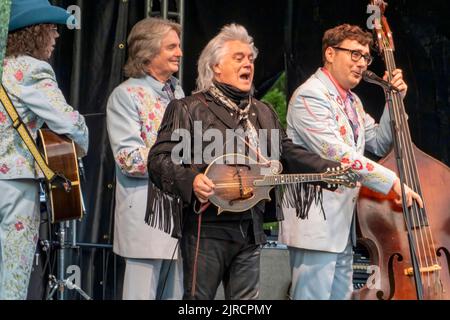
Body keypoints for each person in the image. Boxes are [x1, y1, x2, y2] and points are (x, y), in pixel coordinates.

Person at [145, 23, 340, 300]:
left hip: (251, 227)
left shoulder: (263, 112)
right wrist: (191, 180)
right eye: (238, 58)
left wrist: (327, 169)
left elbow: (287, 152)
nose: (248, 63)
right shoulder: (188, 108)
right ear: (216, 66)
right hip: (206, 227)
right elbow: (159, 159)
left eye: (250, 58)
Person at [279, 24, 423, 300]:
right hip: (315, 225)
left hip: (342, 225)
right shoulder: (311, 95)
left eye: (366, 57)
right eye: (354, 54)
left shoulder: (352, 101)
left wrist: (395, 101)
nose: (361, 63)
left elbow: (379, 142)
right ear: (330, 53)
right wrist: (392, 182)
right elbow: (338, 154)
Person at [0, 0, 89, 300]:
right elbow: (69, 121)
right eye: (52, 29)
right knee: (12, 279)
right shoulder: (31, 70)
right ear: (35, 32)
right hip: (13, 188)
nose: (57, 35)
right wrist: (83, 141)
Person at [106, 17, 184, 300]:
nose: (179, 52)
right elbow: (128, 158)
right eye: (171, 47)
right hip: (144, 214)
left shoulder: (177, 91)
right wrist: (180, 158)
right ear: (149, 53)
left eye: (178, 46)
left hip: (177, 216)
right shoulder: (126, 95)